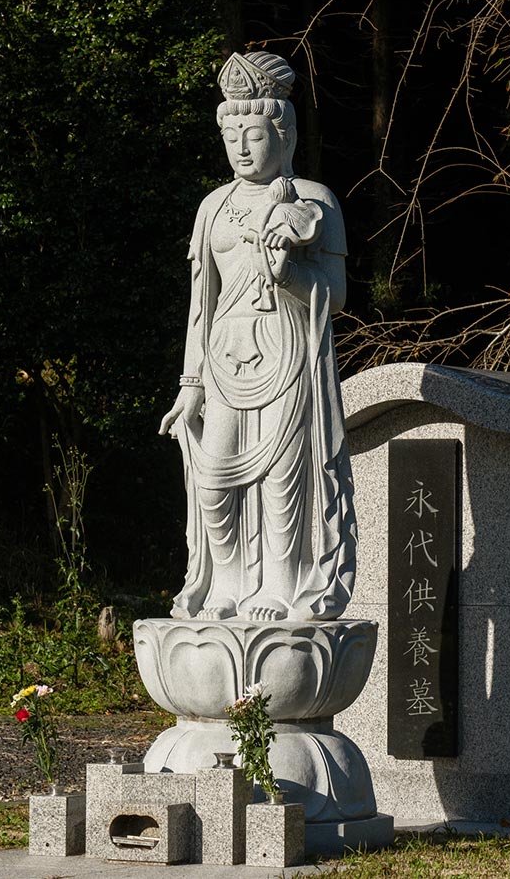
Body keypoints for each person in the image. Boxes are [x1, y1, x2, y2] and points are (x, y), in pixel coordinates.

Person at [158, 51, 356, 622]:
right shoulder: (212, 208)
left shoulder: (314, 200)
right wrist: (190, 385)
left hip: (290, 352)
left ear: (284, 135)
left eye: (255, 134)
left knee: (281, 481)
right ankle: (226, 584)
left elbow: (336, 295)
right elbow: (201, 305)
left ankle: (281, 587)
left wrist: (289, 272)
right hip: (223, 358)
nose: (242, 148)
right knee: (215, 478)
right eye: (232, 135)